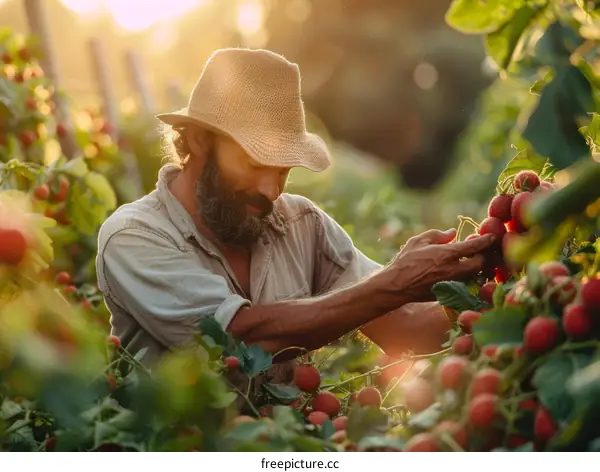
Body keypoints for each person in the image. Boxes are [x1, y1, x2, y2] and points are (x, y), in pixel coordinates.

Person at [95, 48, 495, 381]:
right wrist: (395, 281)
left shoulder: (302, 225)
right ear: (200, 141)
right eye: (254, 164)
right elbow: (236, 337)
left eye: (284, 171)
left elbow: (405, 326)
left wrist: (505, 280)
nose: (271, 191)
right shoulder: (134, 236)